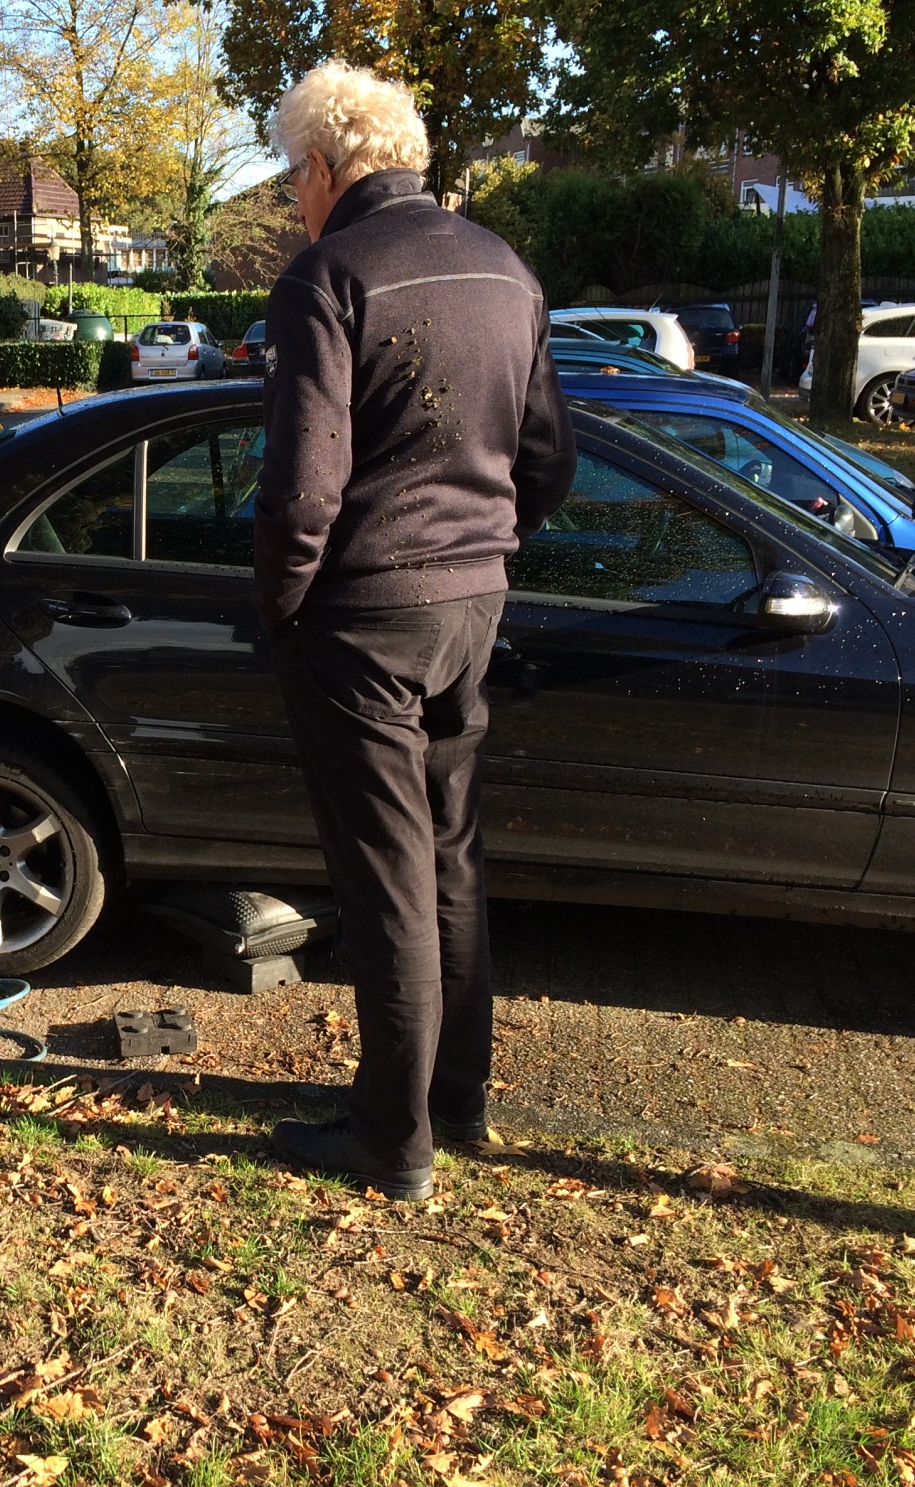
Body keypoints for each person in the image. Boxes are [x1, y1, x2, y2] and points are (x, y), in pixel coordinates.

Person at [257, 61, 577, 1200]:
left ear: (323, 167)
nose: (293, 196)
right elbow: (549, 458)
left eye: (291, 175)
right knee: (450, 857)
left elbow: (303, 488)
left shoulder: (326, 276)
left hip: (364, 616)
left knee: (387, 879)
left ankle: (392, 1142)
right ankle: (457, 1099)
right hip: (470, 605)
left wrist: (282, 607)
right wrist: (483, 549)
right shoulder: (503, 267)